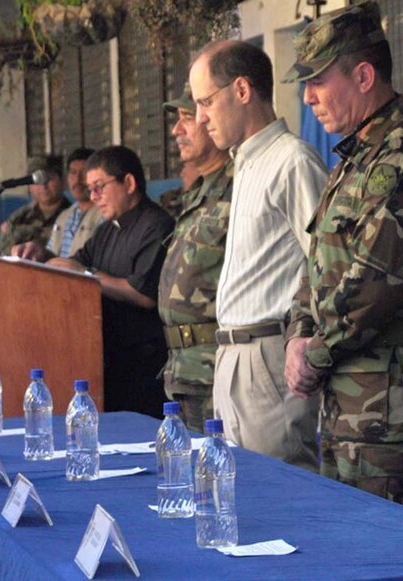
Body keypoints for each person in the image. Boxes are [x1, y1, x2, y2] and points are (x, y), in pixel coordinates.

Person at [282, 1, 403, 508]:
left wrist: (313, 351)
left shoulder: (402, 154)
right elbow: (318, 265)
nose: (308, 97)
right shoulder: (355, 156)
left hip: (387, 417)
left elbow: (375, 282)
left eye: (317, 81)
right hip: (346, 408)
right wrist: (297, 332)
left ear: (362, 75)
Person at [189, 39, 327, 469]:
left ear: (243, 90)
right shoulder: (246, 163)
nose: (200, 119)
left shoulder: (291, 161)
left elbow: (326, 264)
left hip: (268, 355)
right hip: (232, 353)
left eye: (206, 102)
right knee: (237, 500)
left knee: (277, 499)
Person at [48, 146, 174, 417]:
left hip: (144, 363)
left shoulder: (156, 225)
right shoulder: (106, 230)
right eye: (90, 189)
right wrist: (43, 257)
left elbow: (143, 294)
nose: (93, 197)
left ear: (128, 183)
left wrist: (86, 275)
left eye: (99, 187)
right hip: (107, 359)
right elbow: (72, 265)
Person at [158, 84, 233, 433]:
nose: (177, 130)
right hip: (184, 370)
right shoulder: (201, 191)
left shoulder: (239, 184)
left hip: (214, 369)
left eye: (187, 117)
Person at [11, 148, 102, 261]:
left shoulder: (105, 215)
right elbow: (54, 258)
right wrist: (41, 253)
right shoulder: (64, 217)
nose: (77, 179)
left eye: (84, 172)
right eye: (73, 172)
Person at [0, 155, 70, 255]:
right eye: (37, 180)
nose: (43, 186)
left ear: (62, 180)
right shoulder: (20, 216)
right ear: (29, 185)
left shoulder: (72, 216)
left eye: (49, 178)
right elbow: (4, 248)